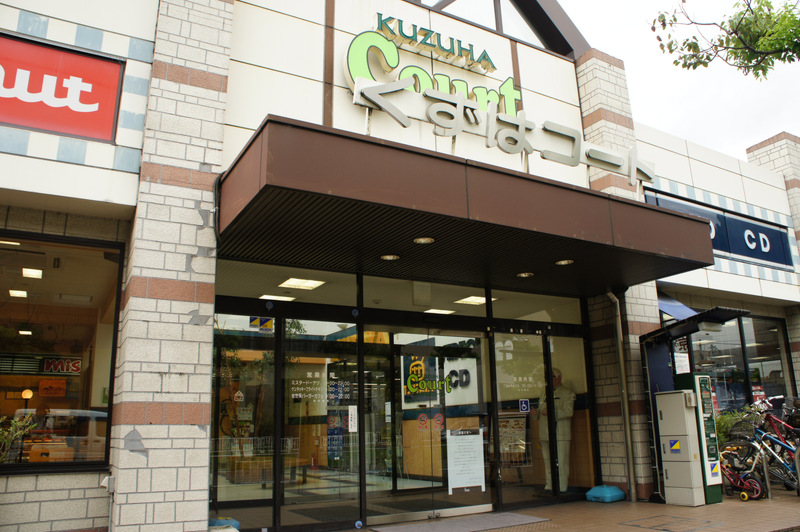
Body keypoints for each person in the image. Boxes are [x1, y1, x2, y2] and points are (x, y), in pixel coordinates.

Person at [536, 368, 575, 494]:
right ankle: (550, 486)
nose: (548, 380)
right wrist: (535, 413)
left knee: (562, 461)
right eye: (546, 377)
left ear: (558, 378)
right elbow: (540, 410)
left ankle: (562, 487)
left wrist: (552, 412)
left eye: (551, 377)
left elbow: (569, 412)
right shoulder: (544, 393)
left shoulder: (567, 393)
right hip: (545, 432)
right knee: (548, 461)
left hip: (560, 433)